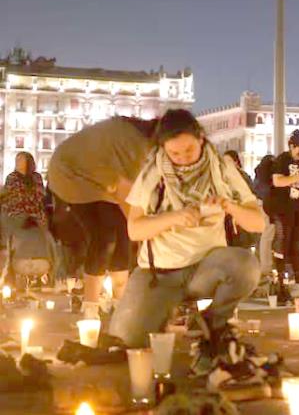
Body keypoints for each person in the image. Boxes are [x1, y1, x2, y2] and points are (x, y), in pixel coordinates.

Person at [109, 109, 263, 372]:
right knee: (126, 340)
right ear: (164, 149)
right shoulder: (152, 173)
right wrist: (175, 217)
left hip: (204, 270)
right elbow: (135, 229)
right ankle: (161, 311)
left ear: (201, 139)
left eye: (189, 151)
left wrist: (229, 206)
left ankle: (209, 325)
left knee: (245, 265)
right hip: (158, 274)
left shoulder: (222, 168)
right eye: (175, 154)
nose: (182, 159)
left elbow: (259, 222)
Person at [47, 116, 158, 304]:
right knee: (105, 237)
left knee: (120, 233)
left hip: (95, 179)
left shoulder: (136, 138)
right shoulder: (135, 145)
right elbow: (128, 199)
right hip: (71, 176)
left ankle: (117, 303)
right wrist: (146, 231)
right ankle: (93, 307)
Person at [267, 131, 299, 296]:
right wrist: (298, 177)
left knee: (296, 243)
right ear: (291, 146)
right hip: (284, 208)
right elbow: (277, 181)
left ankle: (298, 276)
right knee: (283, 242)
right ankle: (280, 278)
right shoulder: (283, 160)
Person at [1, 152, 56, 285]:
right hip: (16, 213)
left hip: (36, 214)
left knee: (46, 238)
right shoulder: (12, 177)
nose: (18, 163)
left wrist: (32, 214)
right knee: (10, 235)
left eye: (21, 160)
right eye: (17, 160)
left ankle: (48, 273)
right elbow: (14, 197)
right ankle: (10, 271)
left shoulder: (36, 177)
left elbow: (38, 196)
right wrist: (24, 213)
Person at [223, 150, 258, 249]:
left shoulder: (242, 176)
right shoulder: (224, 176)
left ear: (236, 162)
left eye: (228, 161)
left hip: (239, 215)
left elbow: (250, 195)